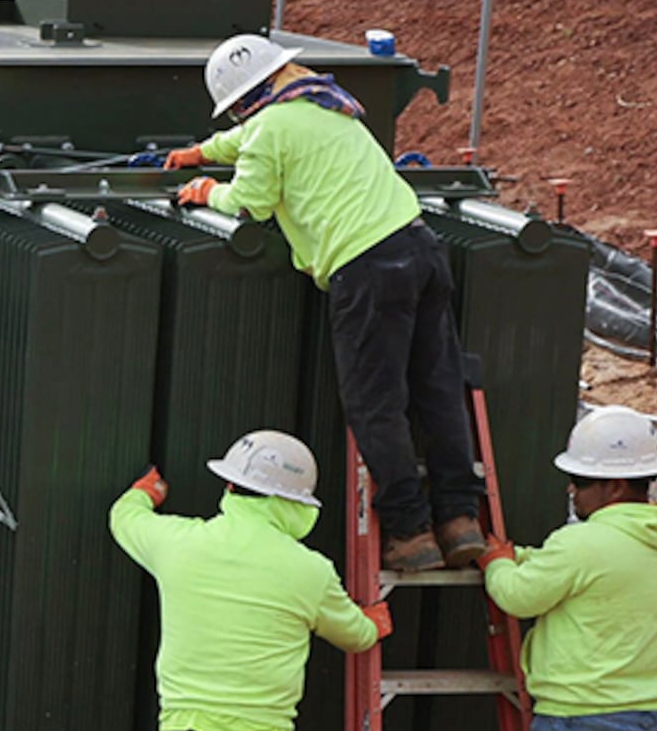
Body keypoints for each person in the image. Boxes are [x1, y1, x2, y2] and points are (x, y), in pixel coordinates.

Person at [167, 33, 490, 578]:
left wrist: (206, 190)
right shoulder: (326, 106)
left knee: (376, 405)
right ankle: (460, 521)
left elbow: (250, 203)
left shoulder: (270, 127)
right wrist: (206, 151)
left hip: (366, 271)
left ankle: (410, 533)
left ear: (246, 100)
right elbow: (254, 137)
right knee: (437, 390)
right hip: (421, 250)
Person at [110, 430, 390, 731]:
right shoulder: (309, 571)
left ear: (230, 486)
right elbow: (355, 636)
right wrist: (373, 621)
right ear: (295, 504)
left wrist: (144, 492)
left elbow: (124, 519)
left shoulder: (179, 542)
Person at [479, 405, 657, 731]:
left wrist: (496, 564)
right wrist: (522, 557)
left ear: (614, 487)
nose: (572, 490)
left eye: (580, 481)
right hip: (644, 718)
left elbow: (518, 596)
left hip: (577, 721)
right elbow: (585, 574)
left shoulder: (580, 543)